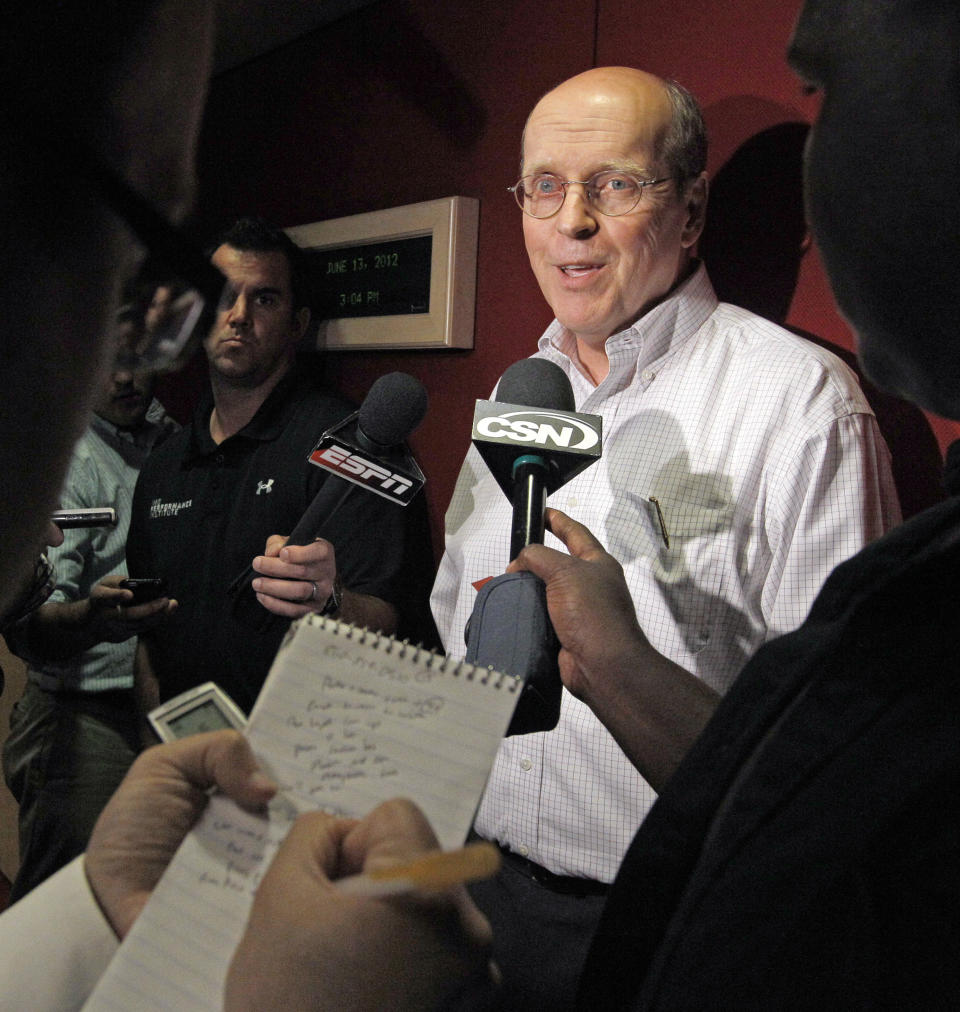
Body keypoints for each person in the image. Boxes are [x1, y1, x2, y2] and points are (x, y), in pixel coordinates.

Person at [430, 65, 901, 1004]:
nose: (571, 223)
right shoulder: (520, 395)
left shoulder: (800, 405)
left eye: (614, 186)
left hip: (661, 923)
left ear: (689, 213)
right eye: (546, 188)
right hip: (470, 890)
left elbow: (830, 758)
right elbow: (452, 619)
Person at [126, 216, 436, 719]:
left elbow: (389, 622)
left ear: (297, 323)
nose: (239, 316)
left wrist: (329, 599)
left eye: (264, 299)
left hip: (300, 762)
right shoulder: (165, 462)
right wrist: (152, 749)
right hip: (184, 759)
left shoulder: (349, 449)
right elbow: (150, 637)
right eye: (224, 296)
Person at [2, 340, 178, 902]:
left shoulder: (167, 435)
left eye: (139, 358)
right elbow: (30, 627)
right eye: (106, 361)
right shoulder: (66, 458)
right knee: (61, 916)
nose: (125, 378)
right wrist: (97, 619)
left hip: (160, 706)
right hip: (80, 718)